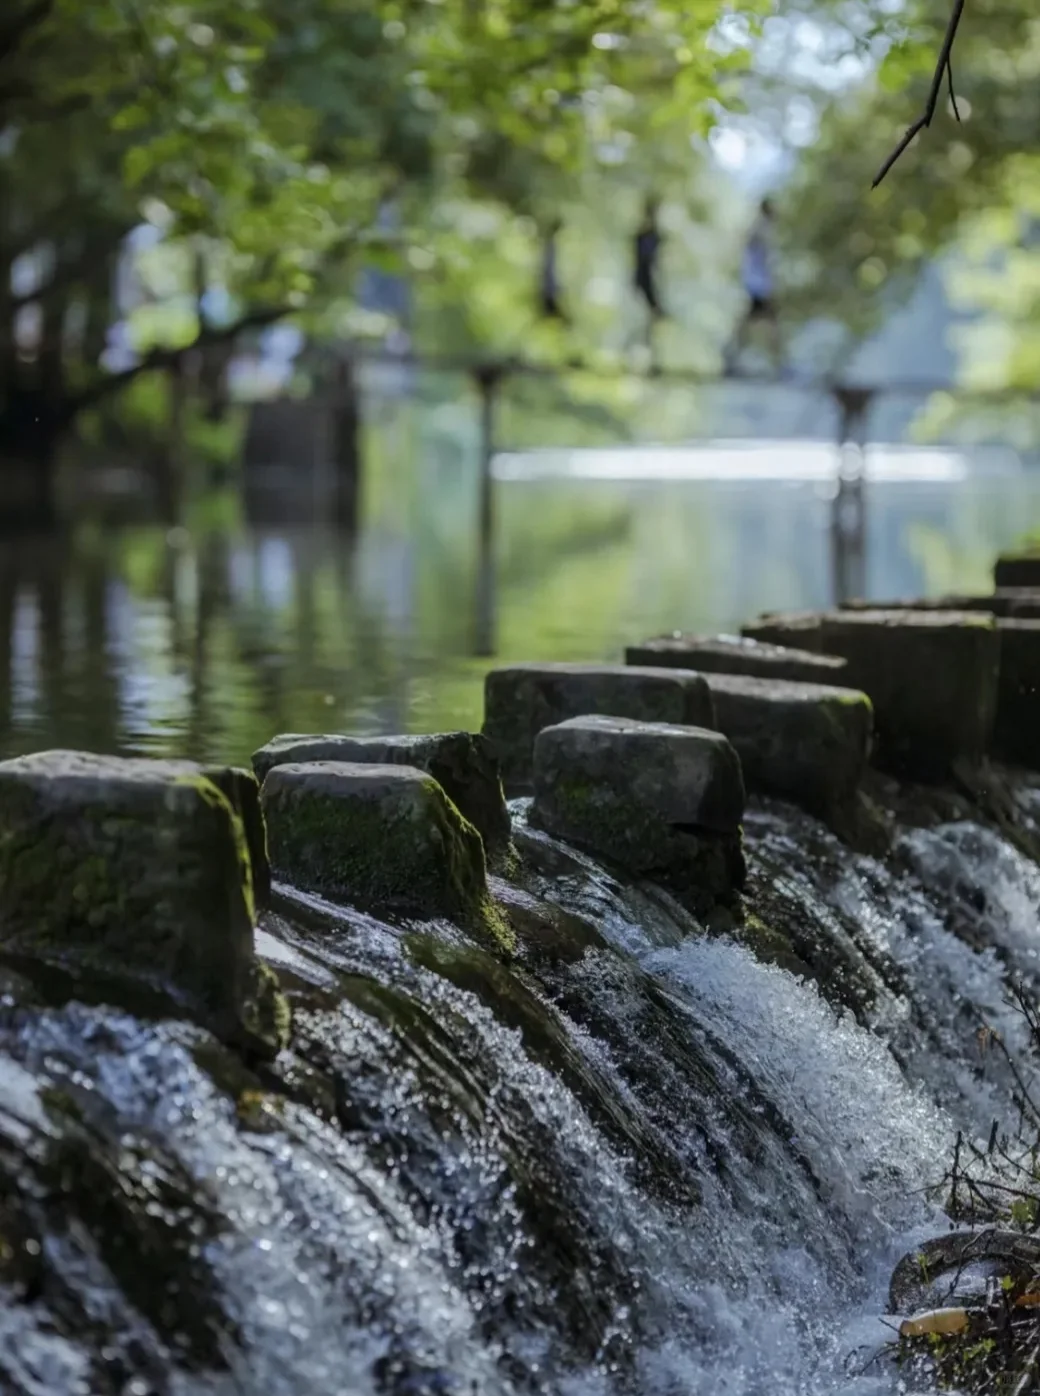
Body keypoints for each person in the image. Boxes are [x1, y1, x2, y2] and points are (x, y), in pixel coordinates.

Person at [724, 197, 782, 373]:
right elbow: (759, 259)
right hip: (759, 285)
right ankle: (779, 363)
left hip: (757, 283)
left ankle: (731, 357)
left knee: (751, 322)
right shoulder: (761, 229)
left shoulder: (759, 228)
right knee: (769, 321)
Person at [633, 196, 664, 321]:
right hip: (644, 269)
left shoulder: (652, 234)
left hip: (646, 270)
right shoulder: (646, 234)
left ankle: (655, 313)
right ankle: (655, 312)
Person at [539, 217, 568, 323]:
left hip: (548, 278)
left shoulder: (548, 294)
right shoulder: (549, 295)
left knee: (549, 253)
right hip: (549, 280)